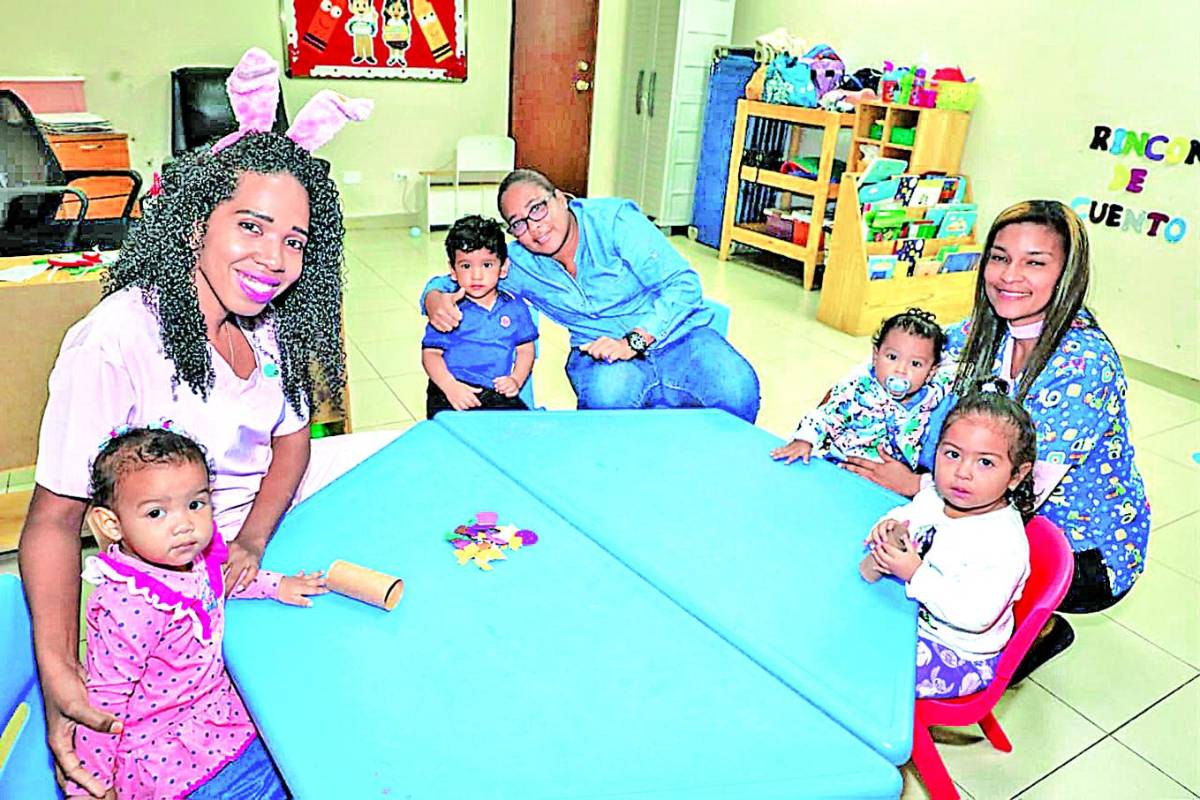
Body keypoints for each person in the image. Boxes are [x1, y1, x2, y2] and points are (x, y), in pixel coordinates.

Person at [18, 48, 394, 796]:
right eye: (251, 226)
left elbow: (292, 441)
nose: (275, 259)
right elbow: (54, 522)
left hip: (256, 539)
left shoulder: (268, 321)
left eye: (294, 241)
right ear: (194, 224)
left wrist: (253, 539)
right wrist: (60, 674)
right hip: (183, 564)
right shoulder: (117, 341)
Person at [845, 200, 1150, 676]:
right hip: (993, 493)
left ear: (1066, 275)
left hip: (1081, 547)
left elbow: (1019, 493)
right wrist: (843, 409)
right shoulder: (989, 329)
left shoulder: (1084, 363)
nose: (1009, 276)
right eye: (1000, 257)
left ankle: (1038, 627)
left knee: (934, 578)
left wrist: (914, 486)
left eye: (1034, 262)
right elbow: (906, 357)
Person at [65, 426, 327, 799]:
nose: (185, 525)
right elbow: (103, 704)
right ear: (112, 524)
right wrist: (91, 786)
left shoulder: (191, 556)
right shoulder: (129, 606)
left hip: (217, 715)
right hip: (167, 756)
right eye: (156, 512)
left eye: (195, 504)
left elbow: (219, 580)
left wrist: (276, 585)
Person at [422, 169, 761, 422]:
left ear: (561, 198)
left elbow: (683, 284)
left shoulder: (614, 222)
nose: (534, 227)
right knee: (606, 401)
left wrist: (633, 341)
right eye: (518, 223)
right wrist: (433, 297)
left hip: (678, 337)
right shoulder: (519, 262)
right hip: (599, 352)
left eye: (537, 208)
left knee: (737, 390)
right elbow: (464, 276)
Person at [866, 382, 1034, 699]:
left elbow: (975, 616)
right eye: (952, 454)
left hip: (957, 653)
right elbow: (908, 514)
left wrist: (915, 573)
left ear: (1016, 475)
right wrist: (887, 526)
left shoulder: (1003, 544)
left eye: (985, 462)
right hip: (915, 615)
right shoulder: (937, 496)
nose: (962, 473)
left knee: (866, 669)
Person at [770, 307, 947, 467]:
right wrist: (805, 440)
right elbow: (824, 416)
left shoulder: (932, 398)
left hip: (892, 480)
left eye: (915, 364)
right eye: (892, 357)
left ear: (931, 372)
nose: (901, 370)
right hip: (844, 466)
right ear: (876, 356)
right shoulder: (858, 391)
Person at [421, 215, 537, 417]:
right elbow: (430, 354)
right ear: (453, 270)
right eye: (466, 266)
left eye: (487, 265)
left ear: (503, 268)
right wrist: (450, 387)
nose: (476, 275)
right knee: (449, 432)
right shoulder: (449, 309)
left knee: (522, 426)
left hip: (496, 392)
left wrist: (516, 380)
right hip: (450, 390)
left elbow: (526, 349)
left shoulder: (515, 307)